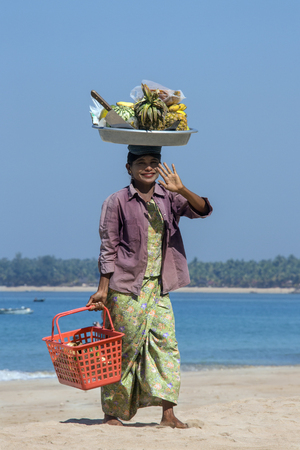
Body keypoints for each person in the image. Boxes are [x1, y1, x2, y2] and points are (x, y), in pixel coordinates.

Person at [86, 145, 212, 428]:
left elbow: (203, 210)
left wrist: (182, 188)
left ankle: (167, 414)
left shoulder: (169, 197)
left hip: (160, 287)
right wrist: (103, 288)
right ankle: (112, 413)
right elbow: (109, 247)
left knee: (167, 347)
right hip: (125, 288)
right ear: (128, 168)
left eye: (153, 162)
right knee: (124, 349)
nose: (148, 167)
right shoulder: (117, 201)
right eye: (140, 162)